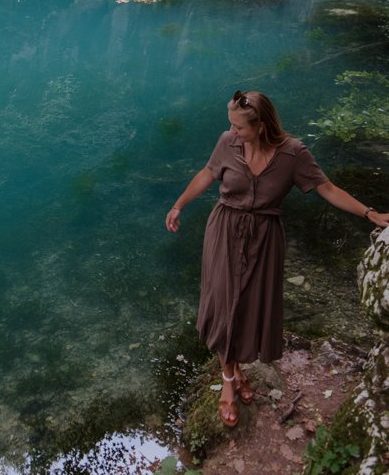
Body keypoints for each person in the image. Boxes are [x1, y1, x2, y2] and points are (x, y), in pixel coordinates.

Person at [165, 89, 389, 428]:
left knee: (247, 307)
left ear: (262, 126)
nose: (232, 132)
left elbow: (327, 189)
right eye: (232, 126)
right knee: (226, 305)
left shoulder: (294, 154)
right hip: (224, 231)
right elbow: (207, 173)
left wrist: (369, 213)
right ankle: (229, 383)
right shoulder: (227, 141)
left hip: (265, 239)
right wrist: (179, 204)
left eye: (239, 128)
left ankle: (236, 372)